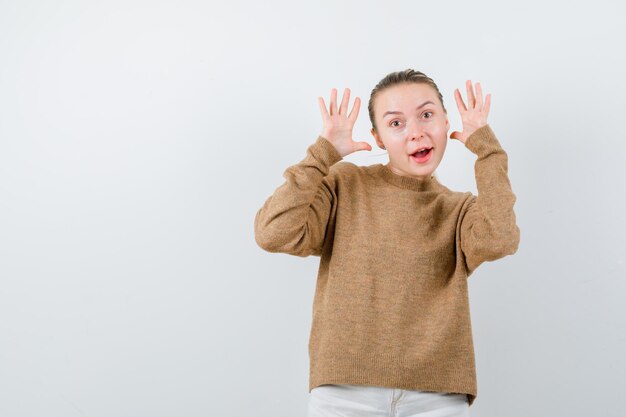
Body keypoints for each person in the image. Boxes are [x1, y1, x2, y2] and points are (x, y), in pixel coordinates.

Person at [254, 69, 520, 416]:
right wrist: (322, 155)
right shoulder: (344, 185)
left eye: (427, 115)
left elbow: (501, 238)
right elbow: (272, 232)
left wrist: (488, 153)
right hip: (344, 393)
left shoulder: (459, 210)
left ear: (445, 122)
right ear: (378, 138)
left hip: (436, 395)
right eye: (396, 123)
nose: (416, 132)